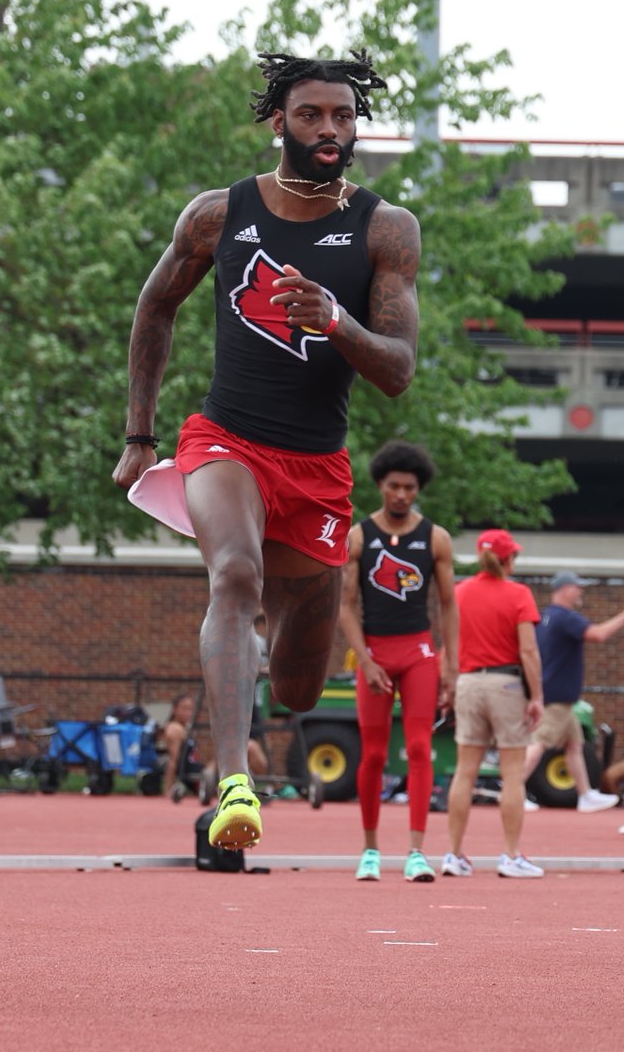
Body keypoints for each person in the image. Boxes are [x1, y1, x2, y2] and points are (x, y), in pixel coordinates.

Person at [112, 49, 420, 852]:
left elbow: (398, 370)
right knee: (236, 574)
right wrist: (139, 435)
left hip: (316, 467)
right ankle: (233, 785)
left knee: (297, 685)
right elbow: (154, 310)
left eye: (344, 116)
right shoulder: (219, 215)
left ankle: (277, 635)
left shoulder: (385, 228)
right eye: (313, 114)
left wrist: (337, 321)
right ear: (278, 119)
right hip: (226, 439)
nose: (330, 129)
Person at [339, 440, 458, 884]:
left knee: (421, 748)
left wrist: (451, 665)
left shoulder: (435, 538)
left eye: (409, 488)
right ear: (380, 486)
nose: (401, 495)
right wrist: (365, 660)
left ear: (418, 489)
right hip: (375, 653)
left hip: (418, 652)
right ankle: (370, 850)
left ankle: (416, 852)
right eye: (394, 486)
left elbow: (449, 605)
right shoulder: (358, 536)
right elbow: (345, 606)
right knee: (372, 755)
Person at [443, 530, 544, 880]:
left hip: (468, 682)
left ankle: (454, 854)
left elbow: (449, 646)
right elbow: (528, 651)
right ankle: (510, 855)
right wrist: (537, 696)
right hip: (505, 683)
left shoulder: (459, 593)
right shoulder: (519, 594)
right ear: (508, 559)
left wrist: (448, 687)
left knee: (464, 771)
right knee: (512, 774)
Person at [524, 571, 624, 813]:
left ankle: (585, 795)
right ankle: (512, 789)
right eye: (577, 587)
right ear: (565, 589)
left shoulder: (546, 616)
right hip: (556, 696)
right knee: (540, 743)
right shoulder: (565, 617)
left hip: (558, 695)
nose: (580, 592)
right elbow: (598, 634)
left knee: (574, 745)